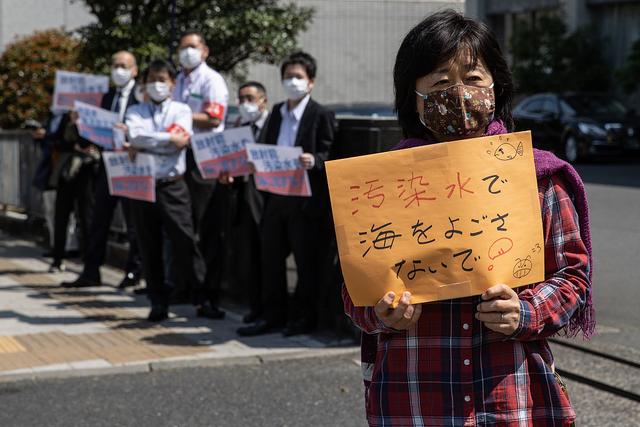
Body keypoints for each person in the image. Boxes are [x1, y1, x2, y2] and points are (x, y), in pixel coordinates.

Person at [343, 10, 593, 426]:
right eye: (440, 81)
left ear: (497, 87)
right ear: (414, 96)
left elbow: (573, 277)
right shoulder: (378, 187)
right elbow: (355, 293)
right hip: (414, 396)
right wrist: (380, 312)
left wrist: (526, 311)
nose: (459, 93)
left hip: (512, 399)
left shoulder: (538, 177)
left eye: (474, 78)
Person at [237, 52, 336, 337]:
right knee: (271, 259)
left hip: (305, 200)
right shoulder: (277, 112)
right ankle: (273, 315)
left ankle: (302, 318)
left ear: (311, 82)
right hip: (276, 196)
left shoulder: (321, 114)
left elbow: (329, 155)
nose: (292, 82)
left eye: (298, 77)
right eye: (288, 77)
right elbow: (266, 147)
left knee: (305, 263)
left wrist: (313, 161)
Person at [125, 59, 222, 322]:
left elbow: (180, 140)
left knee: (185, 241)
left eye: (163, 80)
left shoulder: (181, 110)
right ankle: (158, 302)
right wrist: (167, 139)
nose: (157, 85)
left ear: (172, 83)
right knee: (149, 245)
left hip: (172, 185)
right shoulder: (135, 111)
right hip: (143, 186)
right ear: (144, 84)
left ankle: (202, 298)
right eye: (152, 80)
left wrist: (148, 141)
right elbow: (136, 137)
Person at [61, 50, 142, 289]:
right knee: (99, 218)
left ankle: (134, 271)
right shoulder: (106, 97)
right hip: (109, 164)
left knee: (133, 221)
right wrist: (80, 123)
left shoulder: (142, 97)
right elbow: (94, 133)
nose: (119, 70)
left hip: (132, 164)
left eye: (124, 65)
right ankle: (91, 270)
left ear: (134, 70)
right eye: (115, 65)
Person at [173, 30, 229, 316]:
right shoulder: (178, 80)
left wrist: (178, 114)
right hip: (182, 156)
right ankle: (189, 287)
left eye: (192, 47)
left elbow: (214, 117)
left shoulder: (211, 80)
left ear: (204, 50)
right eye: (182, 47)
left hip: (206, 157)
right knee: (185, 227)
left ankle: (210, 295)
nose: (187, 52)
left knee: (207, 229)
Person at [214, 81, 269, 324]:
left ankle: (271, 308)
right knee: (250, 256)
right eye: (241, 99)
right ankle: (255, 306)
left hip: (269, 200)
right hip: (245, 198)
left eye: (250, 98)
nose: (245, 104)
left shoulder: (272, 124)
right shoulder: (238, 127)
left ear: (263, 100)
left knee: (269, 257)